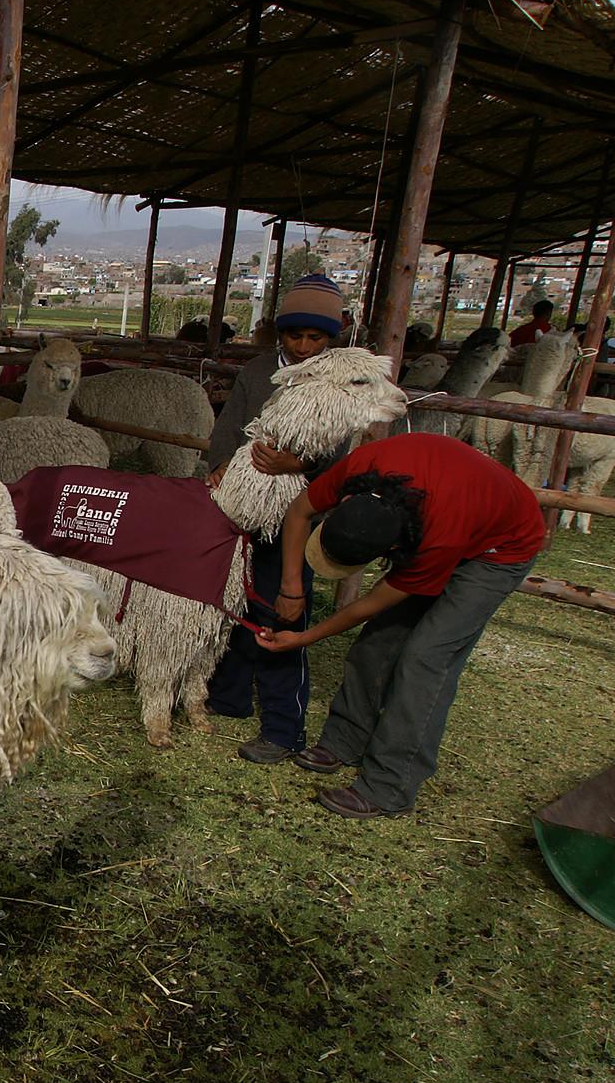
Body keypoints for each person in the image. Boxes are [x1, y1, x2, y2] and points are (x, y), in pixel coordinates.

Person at [256, 433, 545, 818]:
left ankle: (389, 785)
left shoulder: (436, 541)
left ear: (393, 551)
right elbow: (298, 512)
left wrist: (304, 638)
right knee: (378, 642)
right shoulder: (359, 468)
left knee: (426, 657)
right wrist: (292, 587)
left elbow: (368, 605)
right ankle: (344, 740)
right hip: (454, 503)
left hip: (499, 549)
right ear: (344, 502)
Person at [202, 271, 347, 763]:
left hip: (296, 515)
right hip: (243, 503)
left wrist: (301, 465)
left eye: (315, 336)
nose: (305, 346)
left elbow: (342, 452)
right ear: (280, 333)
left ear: (329, 337)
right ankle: (229, 696)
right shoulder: (259, 370)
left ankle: (284, 728)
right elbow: (229, 424)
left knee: (281, 606)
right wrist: (221, 463)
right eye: (295, 334)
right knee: (235, 599)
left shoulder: (336, 383)